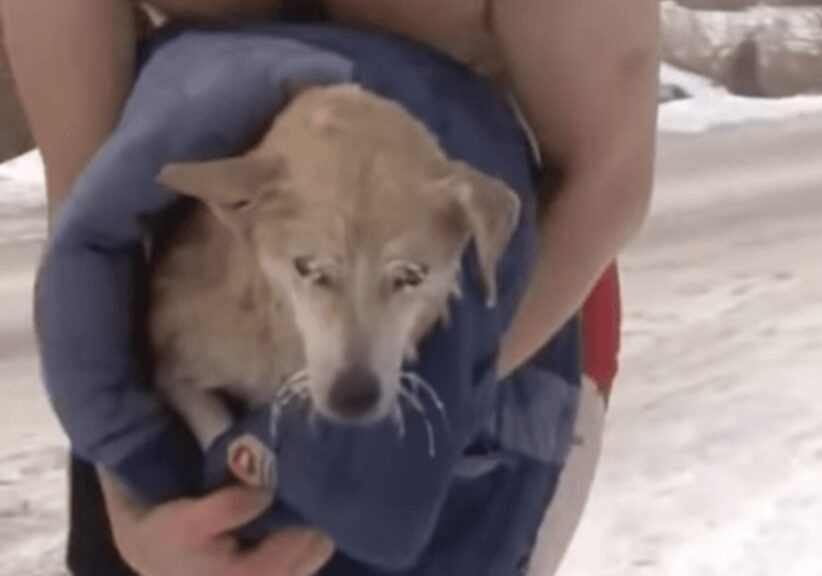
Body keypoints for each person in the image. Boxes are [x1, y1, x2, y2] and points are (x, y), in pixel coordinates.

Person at [2, 1, 658, 574]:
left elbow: (607, 175)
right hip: (193, 327)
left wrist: (373, 461)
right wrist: (131, 492)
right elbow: (93, 212)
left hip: (493, 333)